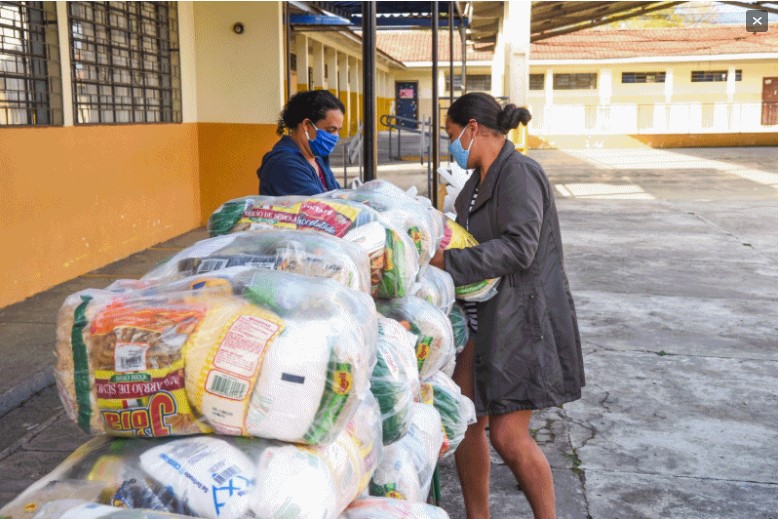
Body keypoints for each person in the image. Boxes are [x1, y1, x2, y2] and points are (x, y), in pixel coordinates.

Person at [430, 92, 585, 519]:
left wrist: (450, 259)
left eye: (451, 135)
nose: (451, 145)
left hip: (520, 320)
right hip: (482, 321)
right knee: (464, 422)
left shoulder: (519, 173)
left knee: (508, 436)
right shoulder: (481, 179)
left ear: (472, 129)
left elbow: (520, 249)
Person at [257, 90, 344, 196]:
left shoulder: (318, 159)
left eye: (338, 130)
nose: (335, 136)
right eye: (330, 130)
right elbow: (319, 206)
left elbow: (338, 196)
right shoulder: (284, 164)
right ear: (307, 125)